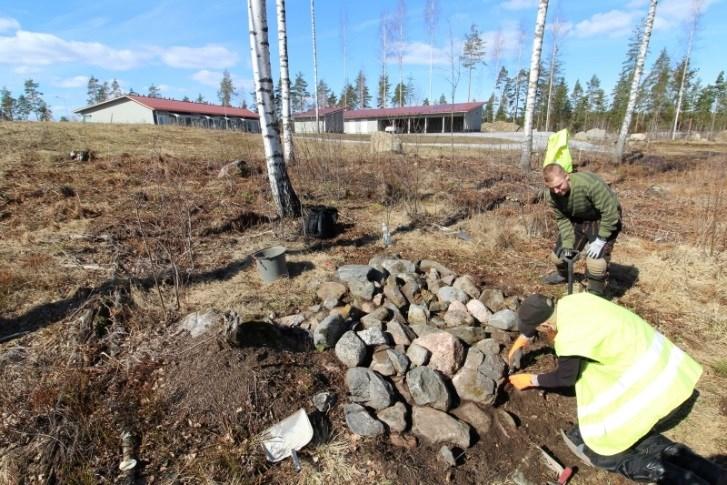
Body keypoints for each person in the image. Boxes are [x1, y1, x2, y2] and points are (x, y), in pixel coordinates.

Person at [506, 293, 725, 484]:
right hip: (673, 374)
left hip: (656, 391)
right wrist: (525, 337)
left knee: (604, 451)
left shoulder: (570, 337)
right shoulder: (576, 300)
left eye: (538, 330)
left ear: (546, 326)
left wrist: (530, 380)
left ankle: (675, 478)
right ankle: (717, 477)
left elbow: (565, 377)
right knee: (646, 439)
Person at [542, 163, 622, 297]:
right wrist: (568, 245)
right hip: (578, 220)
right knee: (559, 257)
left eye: (559, 186)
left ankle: (595, 293)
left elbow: (611, 213)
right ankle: (564, 276)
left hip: (602, 218)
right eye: (552, 188)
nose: (556, 191)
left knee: (596, 262)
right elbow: (562, 219)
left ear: (567, 177)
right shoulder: (552, 196)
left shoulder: (588, 185)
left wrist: (601, 240)